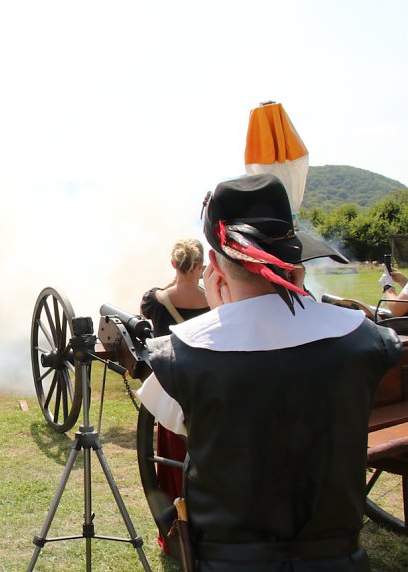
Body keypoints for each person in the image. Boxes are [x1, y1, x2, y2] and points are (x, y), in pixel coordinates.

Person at [137, 174, 403, 572]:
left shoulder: (183, 352)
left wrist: (220, 315)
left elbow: (182, 422)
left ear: (213, 264)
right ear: (294, 258)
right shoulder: (364, 339)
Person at [139, 238, 208, 554]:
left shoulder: (156, 300)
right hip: (205, 389)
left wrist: (176, 281)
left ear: (174, 264)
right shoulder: (212, 300)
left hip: (172, 390)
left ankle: (174, 531)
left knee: (173, 463)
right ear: (199, 266)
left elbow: (150, 303)